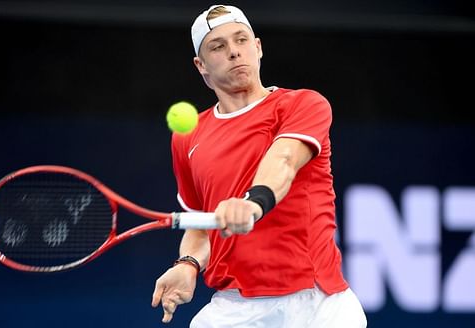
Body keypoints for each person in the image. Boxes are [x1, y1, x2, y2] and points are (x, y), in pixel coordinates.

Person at [152, 4, 367, 328]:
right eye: (218, 46)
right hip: (236, 309)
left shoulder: (302, 104)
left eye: (241, 40)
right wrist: (189, 264)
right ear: (202, 66)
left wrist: (252, 203)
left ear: (258, 47)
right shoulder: (187, 137)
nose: (234, 52)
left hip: (318, 306)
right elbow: (200, 224)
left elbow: (284, 159)